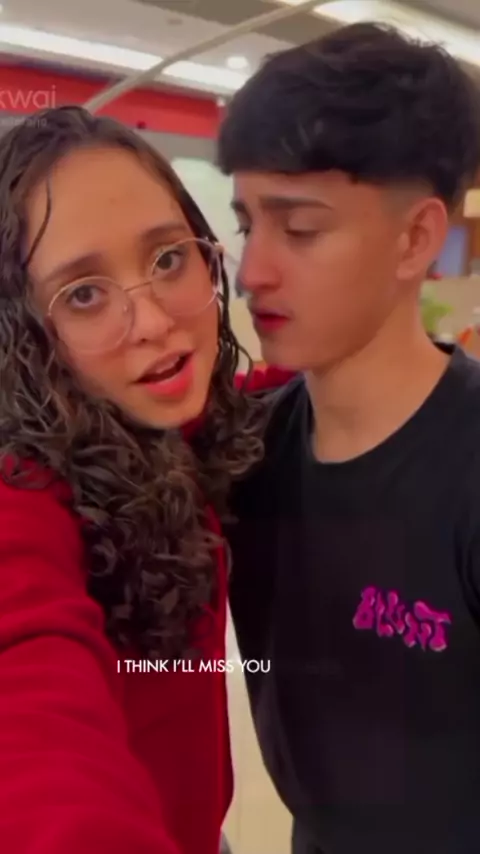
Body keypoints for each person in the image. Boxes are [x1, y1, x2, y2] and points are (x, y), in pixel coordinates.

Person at [217, 22, 480, 854]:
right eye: (247, 225)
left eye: (300, 229)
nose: (253, 272)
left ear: (416, 239)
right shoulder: (245, 454)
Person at [0, 105, 284, 854]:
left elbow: (270, 393)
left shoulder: (174, 418)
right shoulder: (22, 490)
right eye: (83, 294)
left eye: (166, 259)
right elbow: (31, 729)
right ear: (21, 331)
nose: (155, 321)